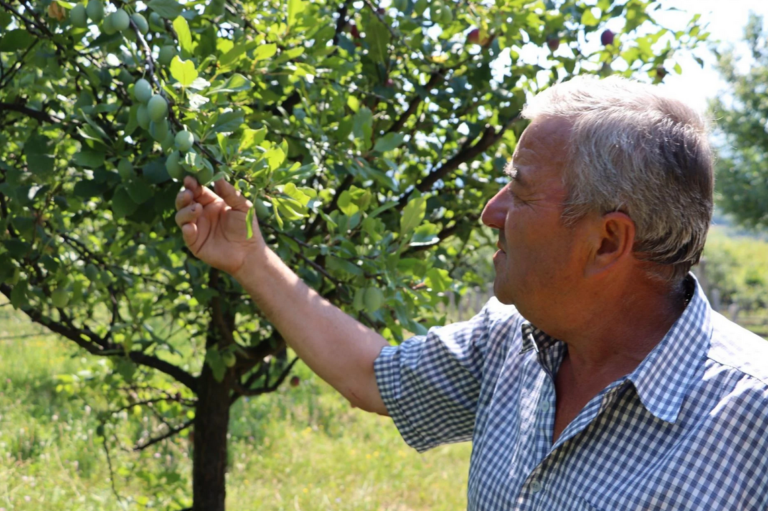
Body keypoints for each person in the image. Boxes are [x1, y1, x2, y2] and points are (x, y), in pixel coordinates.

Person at [174, 76, 768, 510]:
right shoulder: (513, 340)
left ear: (608, 241)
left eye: (521, 190)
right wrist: (250, 258)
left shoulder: (750, 420)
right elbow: (371, 375)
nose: (491, 212)